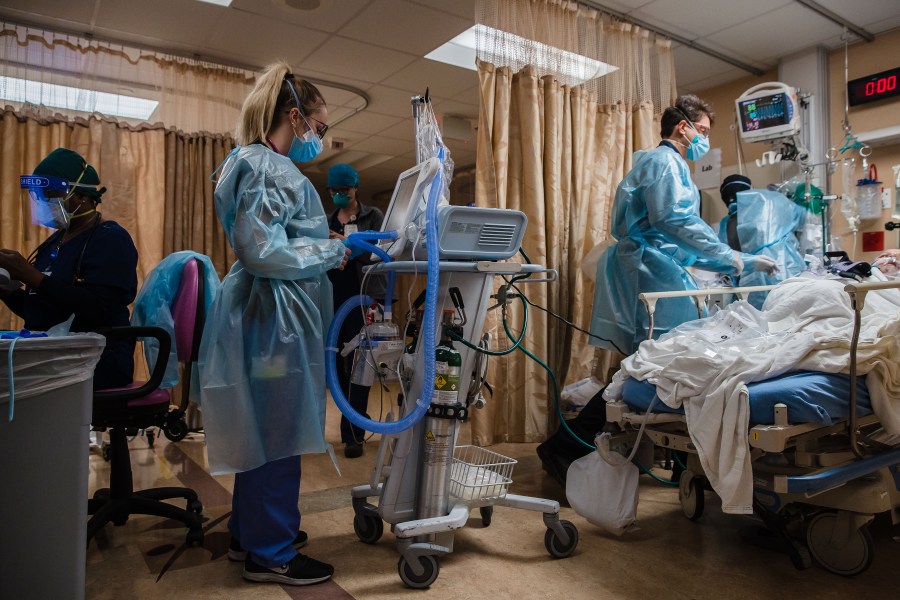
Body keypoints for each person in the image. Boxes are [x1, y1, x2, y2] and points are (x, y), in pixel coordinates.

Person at [198, 61, 350, 587]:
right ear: (295, 115)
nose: (320, 138)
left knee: (261, 429)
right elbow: (263, 251)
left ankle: (252, 533)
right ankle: (272, 551)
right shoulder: (271, 167)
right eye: (320, 127)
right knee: (280, 432)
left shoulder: (252, 162)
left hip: (264, 317)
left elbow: (267, 240)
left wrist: (326, 246)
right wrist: (333, 249)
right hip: (275, 320)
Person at [589, 95, 778, 356]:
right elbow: (676, 220)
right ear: (682, 126)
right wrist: (729, 255)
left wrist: (745, 260)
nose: (705, 140)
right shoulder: (664, 162)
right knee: (663, 349)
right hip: (649, 269)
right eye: (702, 131)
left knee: (660, 350)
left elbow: (680, 246)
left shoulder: (666, 164)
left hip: (653, 263)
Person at [1, 148, 138, 390]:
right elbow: (41, 312)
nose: (42, 201)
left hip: (96, 361)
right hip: (55, 355)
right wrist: (6, 289)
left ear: (82, 197)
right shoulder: (56, 241)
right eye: (38, 195)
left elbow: (97, 309)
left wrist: (28, 274)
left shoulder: (111, 239)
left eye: (50, 194)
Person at [325, 163, 388, 459]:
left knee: (360, 367)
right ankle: (339, 427)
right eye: (334, 191)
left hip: (363, 300)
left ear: (355, 188)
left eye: (344, 190)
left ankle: (354, 436)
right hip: (333, 300)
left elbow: (381, 249)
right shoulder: (326, 223)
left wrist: (347, 245)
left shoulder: (371, 216)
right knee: (335, 367)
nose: (340, 195)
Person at [717, 174, 806, 307]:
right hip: (785, 275)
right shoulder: (772, 201)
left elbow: (726, 261)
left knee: (762, 324)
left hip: (750, 289)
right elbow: (805, 216)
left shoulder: (725, 225)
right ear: (751, 188)